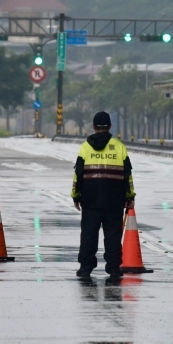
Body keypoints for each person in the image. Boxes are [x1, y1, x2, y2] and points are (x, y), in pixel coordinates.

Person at [71, 111, 136, 279]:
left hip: (90, 199)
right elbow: (127, 175)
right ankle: (114, 268)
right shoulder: (119, 147)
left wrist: (76, 195)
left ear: (93, 127)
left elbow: (78, 173)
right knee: (113, 234)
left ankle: (85, 268)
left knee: (89, 234)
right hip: (115, 199)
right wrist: (130, 196)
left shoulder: (85, 147)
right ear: (110, 126)